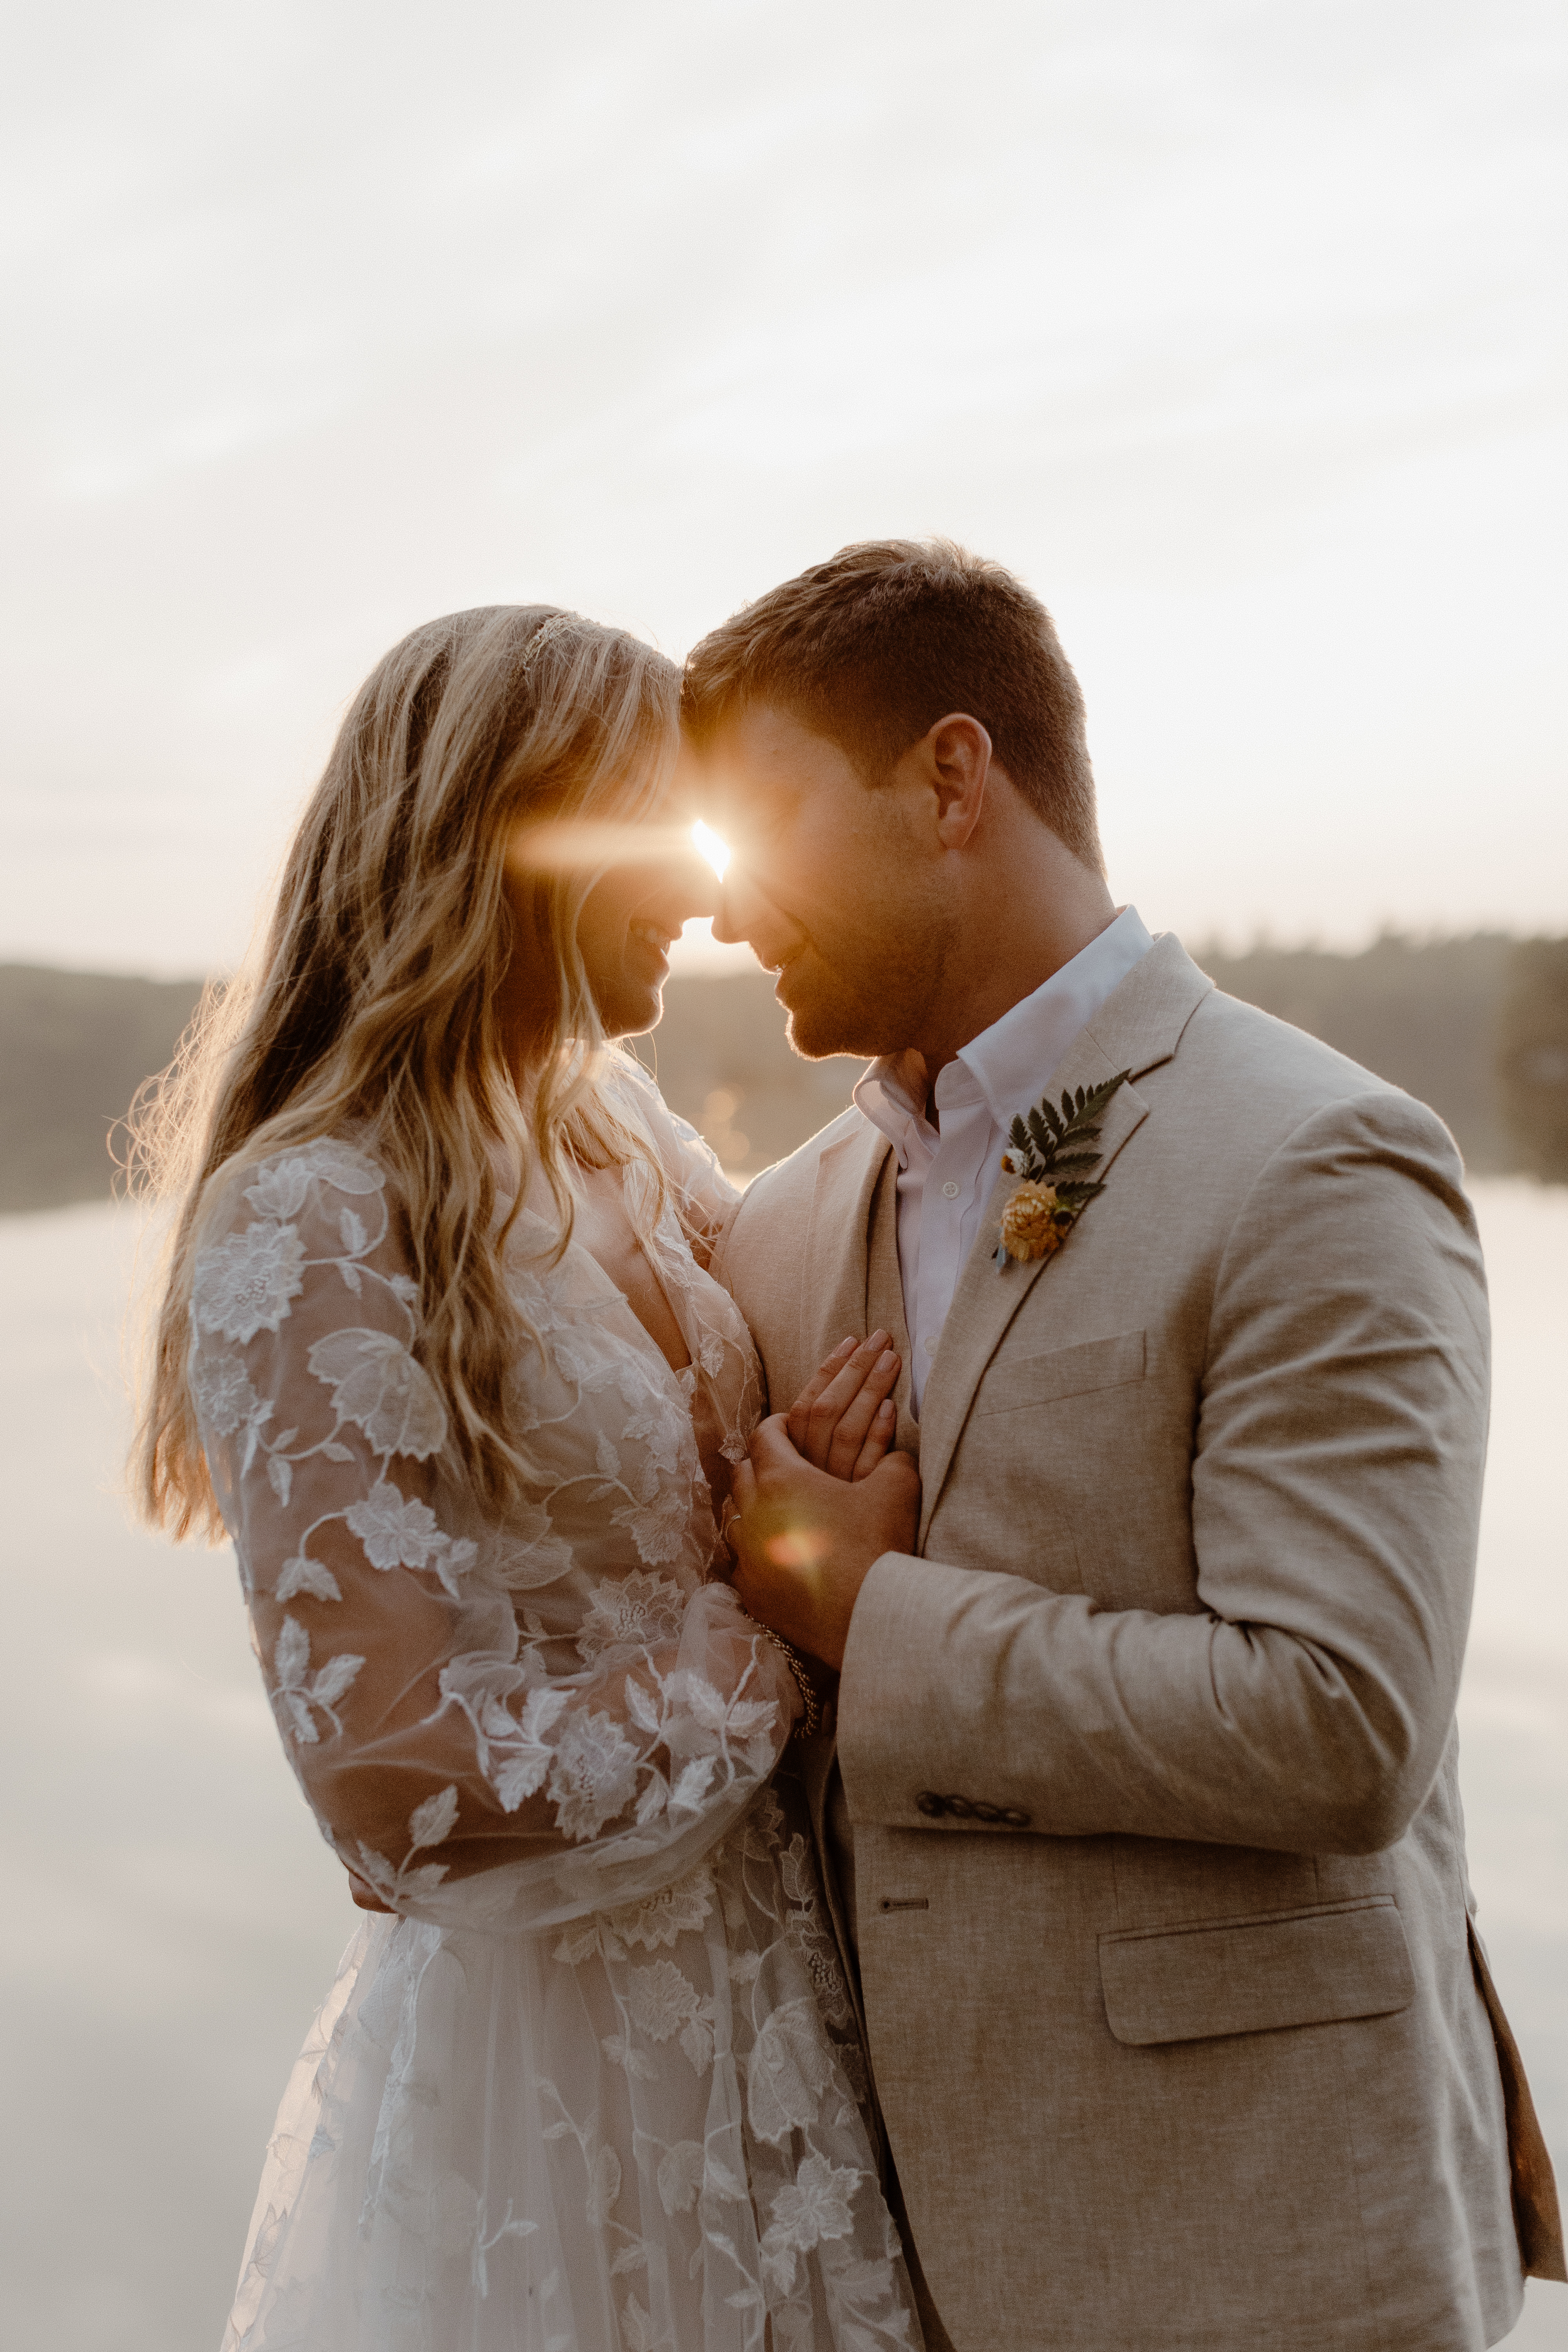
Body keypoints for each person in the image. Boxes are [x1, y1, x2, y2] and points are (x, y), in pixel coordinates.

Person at [682, 539, 1566, 2352]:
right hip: (881, 2258)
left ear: (951, 778)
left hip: (1264, 2243)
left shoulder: (1316, 1159)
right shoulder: (768, 1232)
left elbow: (1337, 1720)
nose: (717, 910)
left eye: (760, 821)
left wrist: (875, 1614)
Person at [130, 605, 923, 2351]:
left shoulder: (612, 1123)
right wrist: (779, 1630)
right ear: (514, 836)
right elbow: (395, 1785)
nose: (710, 895)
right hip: (553, 2077)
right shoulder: (313, 1211)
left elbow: (784, 1414)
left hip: (779, 1990)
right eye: (665, 832)